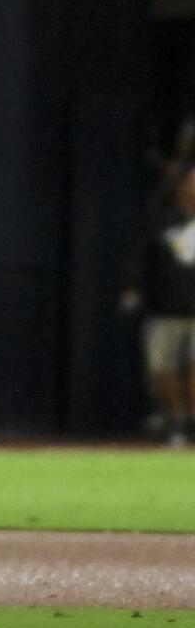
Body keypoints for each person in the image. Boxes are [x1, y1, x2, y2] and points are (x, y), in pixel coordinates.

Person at [123, 164, 195, 446]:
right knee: (160, 370)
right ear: (179, 186)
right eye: (191, 181)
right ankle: (177, 421)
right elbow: (138, 256)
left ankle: (191, 423)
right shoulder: (159, 219)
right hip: (164, 309)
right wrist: (131, 287)